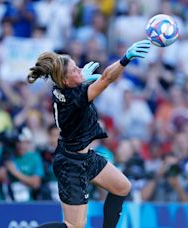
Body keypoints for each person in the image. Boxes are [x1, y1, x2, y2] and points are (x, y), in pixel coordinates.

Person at [27, 40, 151, 228]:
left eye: (77, 67)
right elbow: (107, 79)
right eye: (75, 71)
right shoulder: (74, 98)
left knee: (122, 187)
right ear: (66, 81)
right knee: (74, 226)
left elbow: (75, 83)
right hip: (71, 163)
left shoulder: (62, 88)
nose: (80, 70)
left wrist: (80, 77)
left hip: (84, 157)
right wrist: (125, 59)